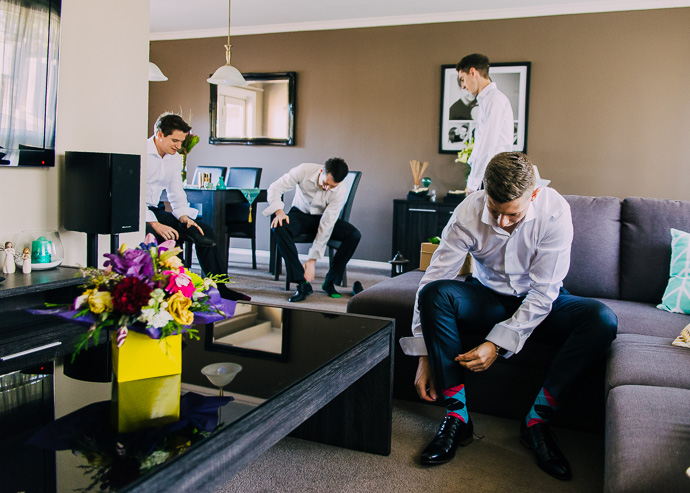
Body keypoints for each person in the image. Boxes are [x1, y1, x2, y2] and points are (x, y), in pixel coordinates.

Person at [402, 152, 617, 481]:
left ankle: (536, 422)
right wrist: (424, 353)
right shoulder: (468, 212)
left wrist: (496, 344)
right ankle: (457, 419)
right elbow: (434, 276)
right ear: (485, 192)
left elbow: (544, 292)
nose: (502, 223)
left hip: (540, 300)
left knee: (601, 319)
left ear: (532, 195)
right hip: (487, 297)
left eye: (511, 215)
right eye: (494, 211)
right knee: (436, 294)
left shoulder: (554, 211)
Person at [145, 112, 248, 301]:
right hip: (138, 213)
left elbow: (175, 191)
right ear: (160, 134)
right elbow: (131, 195)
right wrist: (154, 224)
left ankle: (219, 287)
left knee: (204, 230)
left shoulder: (175, 158)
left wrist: (184, 216)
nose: (178, 146)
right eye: (174, 140)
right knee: (171, 235)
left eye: (181, 141)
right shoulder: (140, 153)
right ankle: (180, 289)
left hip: (155, 208)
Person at [263, 158, 361, 302]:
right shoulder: (303, 170)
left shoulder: (340, 190)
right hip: (300, 215)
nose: (328, 188)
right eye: (326, 183)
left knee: (354, 235)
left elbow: (327, 224)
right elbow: (274, 188)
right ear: (322, 171)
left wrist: (312, 260)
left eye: (332, 186)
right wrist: (279, 211)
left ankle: (330, 282)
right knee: (279, 226)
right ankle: (301, 283)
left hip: (324, 217)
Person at [457, 53, 514, 194]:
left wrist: (473, 183)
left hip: (493, 178)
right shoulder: (486, 101)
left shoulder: (495, 100)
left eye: (463, 79)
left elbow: (487, 146)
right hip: (486, 177)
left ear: (473, 72)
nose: (463, 86)